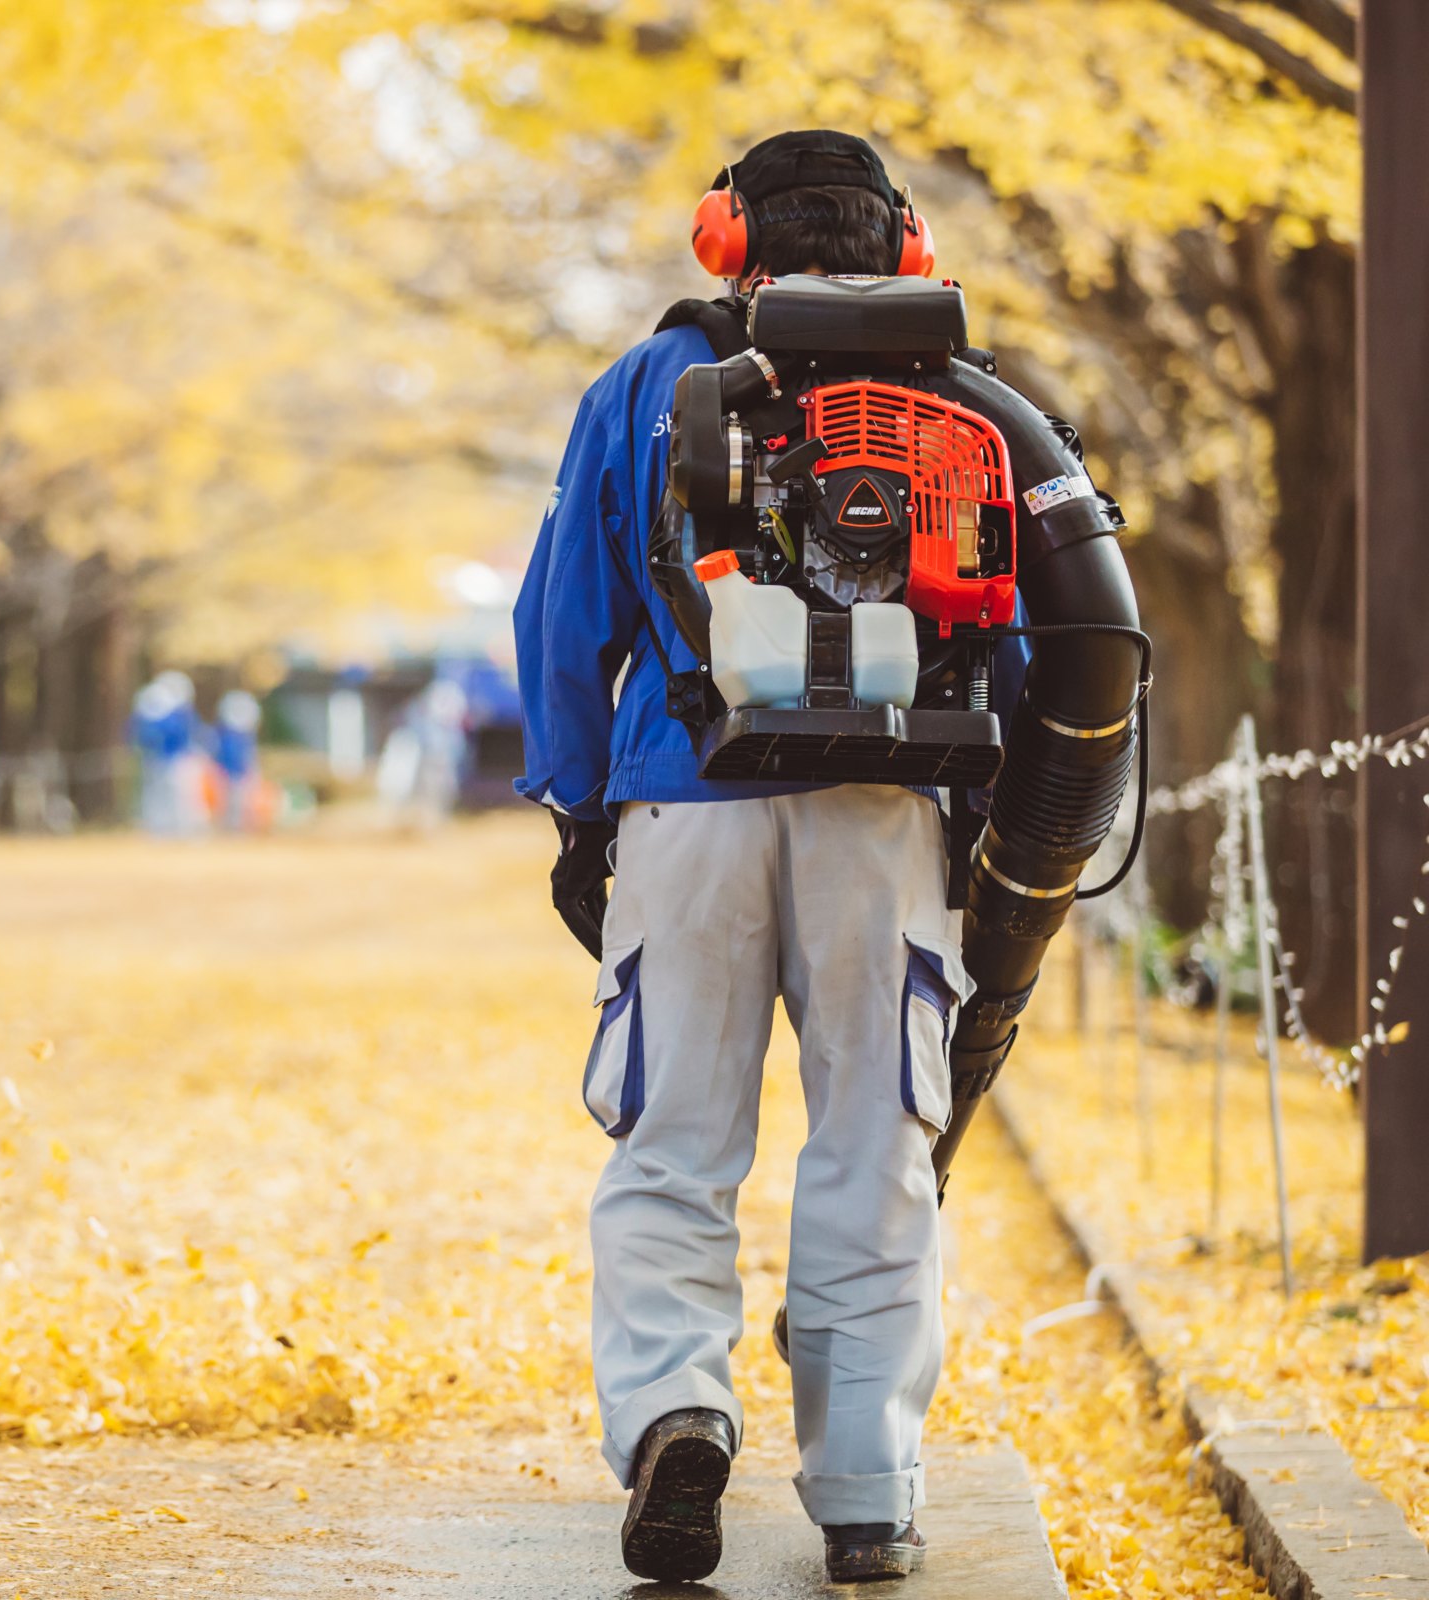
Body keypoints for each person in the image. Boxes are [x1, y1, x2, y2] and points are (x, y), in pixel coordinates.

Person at [512, 129, 1127, 1586]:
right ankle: (865, 1490)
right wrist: (988, 824)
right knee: (875, 1144)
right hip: (887, 824)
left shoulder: (649, 387)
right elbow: (1046, 640)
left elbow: (561, 612)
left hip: (685, 810)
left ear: (726, 238)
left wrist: (577, 810)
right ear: (906, 244)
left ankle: (677, 1418)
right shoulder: (962, 396)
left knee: (672, 1147)